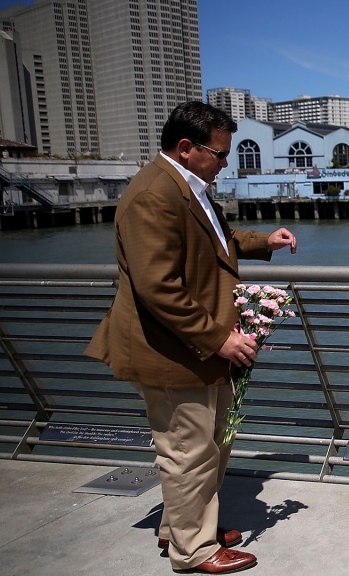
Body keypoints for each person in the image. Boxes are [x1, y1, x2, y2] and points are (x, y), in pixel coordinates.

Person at [86, 101, 297, 574]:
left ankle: (186, 527)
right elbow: (156, 286)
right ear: (187, 148)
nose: (226, 162)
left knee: (211, 444)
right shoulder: (153, 196)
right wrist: (219, 339)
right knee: (188, 451)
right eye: (220, 154)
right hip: (172, 350)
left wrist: (266, 242)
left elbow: (217, 239)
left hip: (195, 346)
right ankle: (194, 550)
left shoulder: (187, 187)